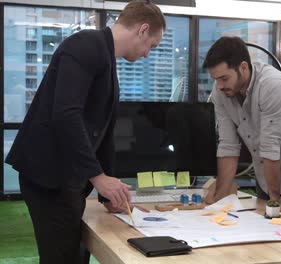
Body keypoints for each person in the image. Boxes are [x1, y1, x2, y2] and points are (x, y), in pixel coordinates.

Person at [5, 1, 166, 263]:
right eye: (152, 45)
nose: (148, 54)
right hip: (48, 178)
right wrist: (97, 176)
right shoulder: (85, 45)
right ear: (143, 29)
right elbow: (66, 115)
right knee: (62, 257)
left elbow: (102, 135)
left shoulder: (106, 58)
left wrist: (108, 195)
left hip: (67, 177)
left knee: (77, 254)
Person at [203, 36, 281, 213]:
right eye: (215, 79)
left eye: (224, 78)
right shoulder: (221, 92)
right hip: (265, 178)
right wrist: (219, 200)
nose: (218, 86)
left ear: (243, 67)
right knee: (265, 234)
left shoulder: (272, 84)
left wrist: (274, 203)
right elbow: (228, 146)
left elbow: (270, 147)